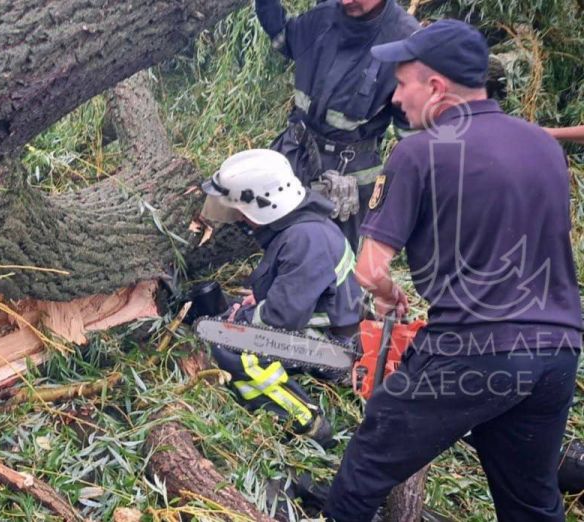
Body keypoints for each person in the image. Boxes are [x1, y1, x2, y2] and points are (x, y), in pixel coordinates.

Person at [324, 20, 583, 521]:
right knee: (532, 504)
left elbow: (369, 268)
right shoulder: (545, 148)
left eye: (402, 84)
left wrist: (387, 293)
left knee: (363, 473)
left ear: (435, 86)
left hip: (474, 350)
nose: (397, 98)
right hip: (558, 352)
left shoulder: (416, 153)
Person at [200, 148, 364, 448]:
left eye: (240, 211)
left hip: (336, 347)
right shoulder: (298, 227)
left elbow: (281, 318)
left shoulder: (305, 240)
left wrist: (243, 322)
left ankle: (305, 421)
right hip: (325, 327)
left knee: (231, 347)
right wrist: (258, 299)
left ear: (263, 205)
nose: (238, 218)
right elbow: (293, 288)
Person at [254, 0, 419, 249]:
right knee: (282, 242)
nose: (345, 1)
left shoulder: (405, 42)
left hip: (348, 178)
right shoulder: (323, 17)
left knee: (335, 257)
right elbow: (284, 37)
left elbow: (413, 141)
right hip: (296, 153)